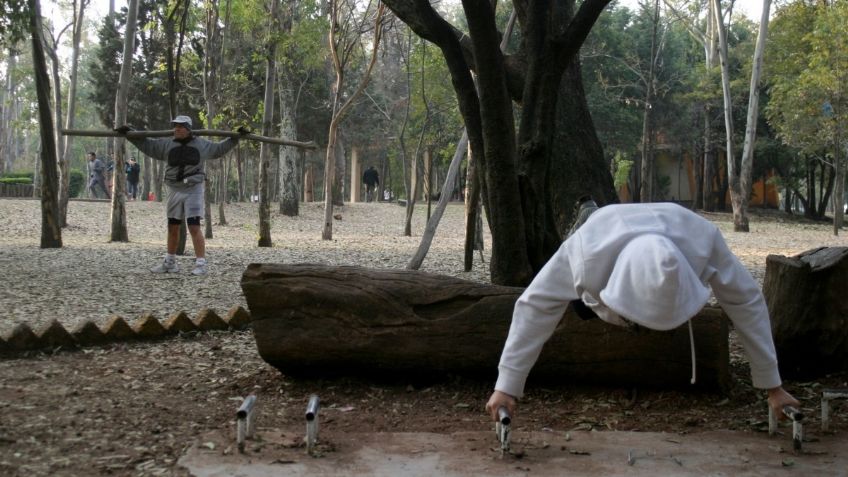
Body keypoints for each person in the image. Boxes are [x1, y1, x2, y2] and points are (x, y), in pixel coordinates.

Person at [485, 202, 799, 424]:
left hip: (671, 224)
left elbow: (746, 302)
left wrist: (773, 386)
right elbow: (535, 305)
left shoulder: (704, 241)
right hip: (603, 228)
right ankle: (588, 210)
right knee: (579, 305)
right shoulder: (584, 251)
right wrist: (506, 385)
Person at [116, 115, 248, 276]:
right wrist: (130, 133)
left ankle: (201, 263)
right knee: (173, 226)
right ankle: (170, 262)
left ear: (188, 129)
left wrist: (236, 137)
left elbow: (219, 149)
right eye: (175, 126)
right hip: (174, 189)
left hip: (194, 188)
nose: (176, 129)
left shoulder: (201, 144)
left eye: (181, 126)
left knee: (193, 226)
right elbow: (146, 145)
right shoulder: (166, 143)